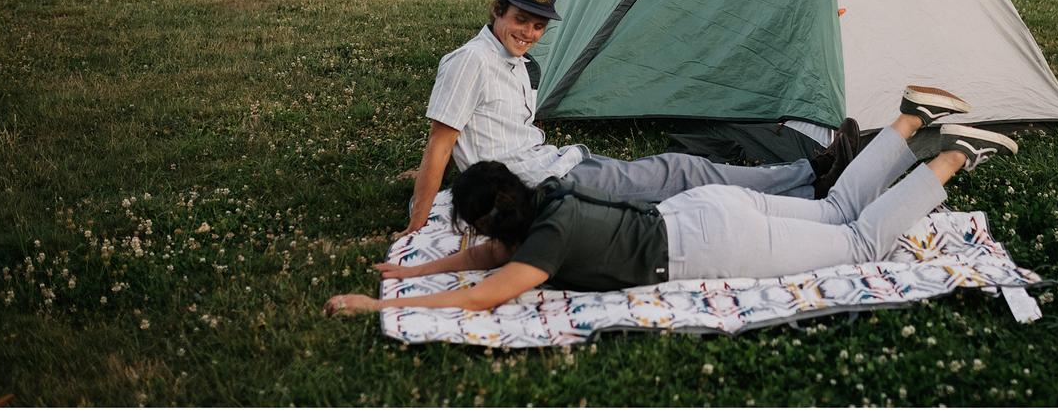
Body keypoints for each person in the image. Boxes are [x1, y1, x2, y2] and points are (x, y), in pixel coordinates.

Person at [324, 91, 1014, 316]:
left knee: (862, 243)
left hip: (707, 246)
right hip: (703, 210)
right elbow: (487, 256)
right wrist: (413, 272)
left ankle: (954, 155)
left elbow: (484, 292)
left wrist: (385, 306)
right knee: (838, 217)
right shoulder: (557, 195)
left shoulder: (543, 248)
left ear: (496, 218)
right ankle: (910, 121)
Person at [395, 0, 865, 238]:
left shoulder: (514, 60)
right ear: (497, 10)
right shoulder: (470, 62)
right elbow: (440, 145)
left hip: (557, 163)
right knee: (682, 175)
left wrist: (445, 173)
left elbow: (475, 140)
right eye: (522, 20)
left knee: (675, 182)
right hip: (545, 185)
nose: (530, 34)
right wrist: (417, 225)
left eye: (539, 27)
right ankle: (811, 176)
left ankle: (806, 183)